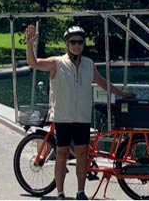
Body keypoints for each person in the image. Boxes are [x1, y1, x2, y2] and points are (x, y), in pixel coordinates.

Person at [25, 24, 135, 201]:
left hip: (82, 118)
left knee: (82, 155)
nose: (77, 45)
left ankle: (81, 192)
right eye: (73, 42)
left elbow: (103, 83)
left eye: (80, 42)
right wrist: (29, 44)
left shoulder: (89, 64)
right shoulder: (57, 63)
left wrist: (122, 93)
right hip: (63, 117)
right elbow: (34, 63)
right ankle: (60, 193)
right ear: (67, 44)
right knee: (61, 155)